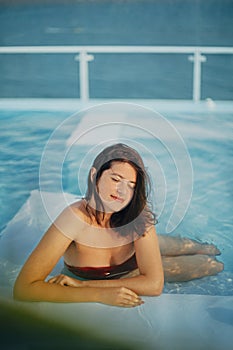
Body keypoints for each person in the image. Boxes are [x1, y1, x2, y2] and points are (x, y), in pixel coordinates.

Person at [14, 143, 223, 308]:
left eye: (131, 185)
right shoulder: (74, 219)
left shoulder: (138, 216)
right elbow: (25, 288)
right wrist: (99, 295)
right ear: (94, 175)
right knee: (210, 264)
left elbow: (153, 284)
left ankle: (195, 246)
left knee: (209, 257)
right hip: (131, 274)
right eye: (116, 179)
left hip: (133, 260)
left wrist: (87, 286)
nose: (122, 191)